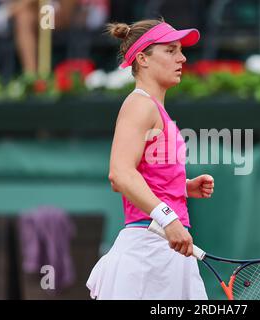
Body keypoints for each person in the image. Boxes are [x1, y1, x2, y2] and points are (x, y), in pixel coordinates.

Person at [86, 18, 214, 300]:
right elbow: (119, 174)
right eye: (170, 51)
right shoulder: (140, 105)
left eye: (180, 50)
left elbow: (145, 174)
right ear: (142, 59)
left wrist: (182, 187)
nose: (181, 58)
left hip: (163, 250)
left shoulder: (154, 109)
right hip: (148, 252)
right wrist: (169, 219)